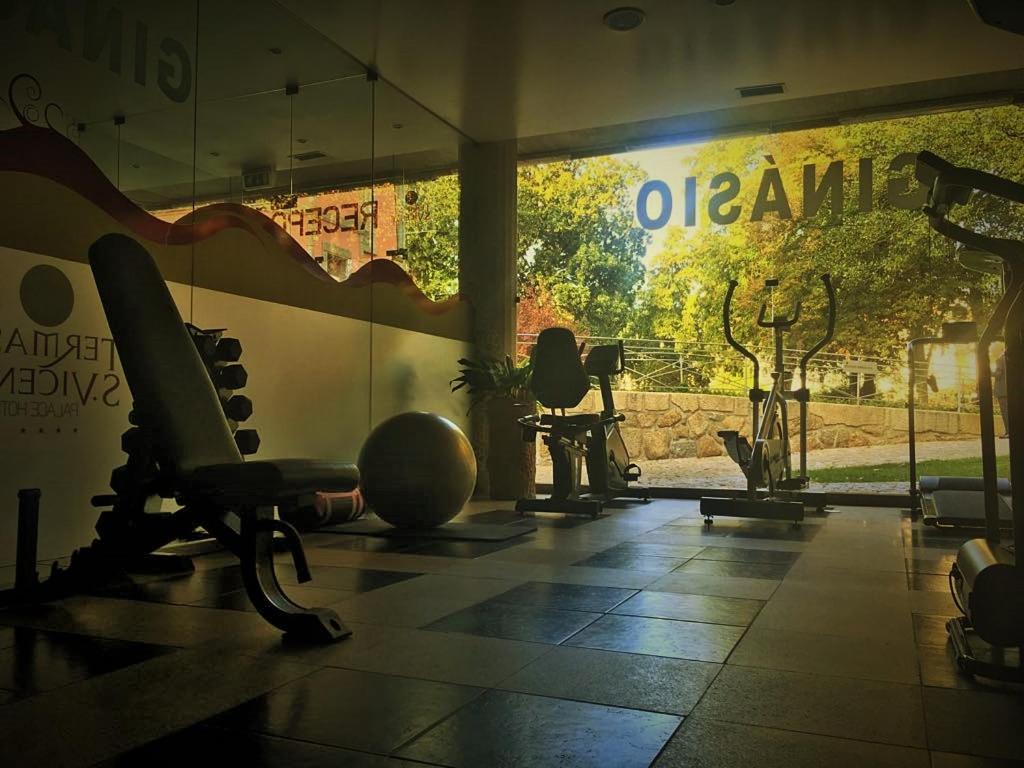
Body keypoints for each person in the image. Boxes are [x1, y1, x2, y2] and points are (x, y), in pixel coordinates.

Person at [994, 352, 1009, 439]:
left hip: (1002, 391)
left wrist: (989, 372)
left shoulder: (1000, 359)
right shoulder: (1013, 360)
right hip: (1012, 391)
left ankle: (1008, 432)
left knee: (1005, 412)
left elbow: (998, 374)